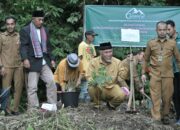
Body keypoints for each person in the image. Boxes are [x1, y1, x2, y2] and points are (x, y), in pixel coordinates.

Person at [141, 21, 180, 124]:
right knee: (155, 97)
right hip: (154, 74)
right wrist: (143, 73)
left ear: (167, 30)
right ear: (156, 30)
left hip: (168, 75)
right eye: (160, 30)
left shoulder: (172, 43)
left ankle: (165, 116)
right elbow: (145, 59)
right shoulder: (151, 43)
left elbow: (178, 59)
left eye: (164, 30)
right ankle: (156, 118)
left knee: (167, 98)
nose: (162, 32)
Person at [20, 10, 57, 109]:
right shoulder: (25, 30)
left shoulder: (45, 30)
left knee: (51, 82)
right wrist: (25, 59)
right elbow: (23, 46)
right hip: (32, 62)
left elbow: (49, 47)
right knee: (32, 88)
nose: (41, 22)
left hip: (44, 61)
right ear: (33, 19)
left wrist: (52, 59)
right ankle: (33, 110)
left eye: (42, 20)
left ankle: (52, 106)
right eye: (39, 19)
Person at [86, 42, 129, 110]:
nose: (109, 54)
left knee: (121, 94)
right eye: (106, 52)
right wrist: (95, 82)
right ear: (101, 53)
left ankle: (110, 105)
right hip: (99, 87)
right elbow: (89, 76)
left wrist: (127, 64)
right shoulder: (94, 62)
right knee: (91, 87)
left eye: (110, 52)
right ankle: (97, 105)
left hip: (112, 87)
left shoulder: (117, 62)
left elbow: (122, 76)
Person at [0, 16, 24, 115]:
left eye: (12, 24)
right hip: (6, 67)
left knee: (18, 89)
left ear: (15, 24)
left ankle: (15, 109)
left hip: (18, 66)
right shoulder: (1, 36)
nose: (10, 26)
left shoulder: (19, 36)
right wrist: (1, 66)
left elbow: (23, 50)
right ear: (6, 25)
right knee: (6, 90)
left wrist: (23, 62)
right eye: (8, 24)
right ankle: (8, 111)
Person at [166, 20, 180, 125]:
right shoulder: (167, 41)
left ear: (174, 28)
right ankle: (178, 117)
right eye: (166, 29)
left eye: (169, 29)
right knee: (175, 95)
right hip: (172, 72)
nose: (167, 31)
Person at [78, 30, 97, 102]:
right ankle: (81, 104)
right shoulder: (82, 45)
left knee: (89, 88)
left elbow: (94, 58)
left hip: (91, 70)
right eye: (92, 36)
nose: (93, 37)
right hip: (84, 70)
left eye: (94, 36)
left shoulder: (92, 46)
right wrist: (80, 71)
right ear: (87, 36)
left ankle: (85, 105)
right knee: (84, 88)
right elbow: (80, 58)